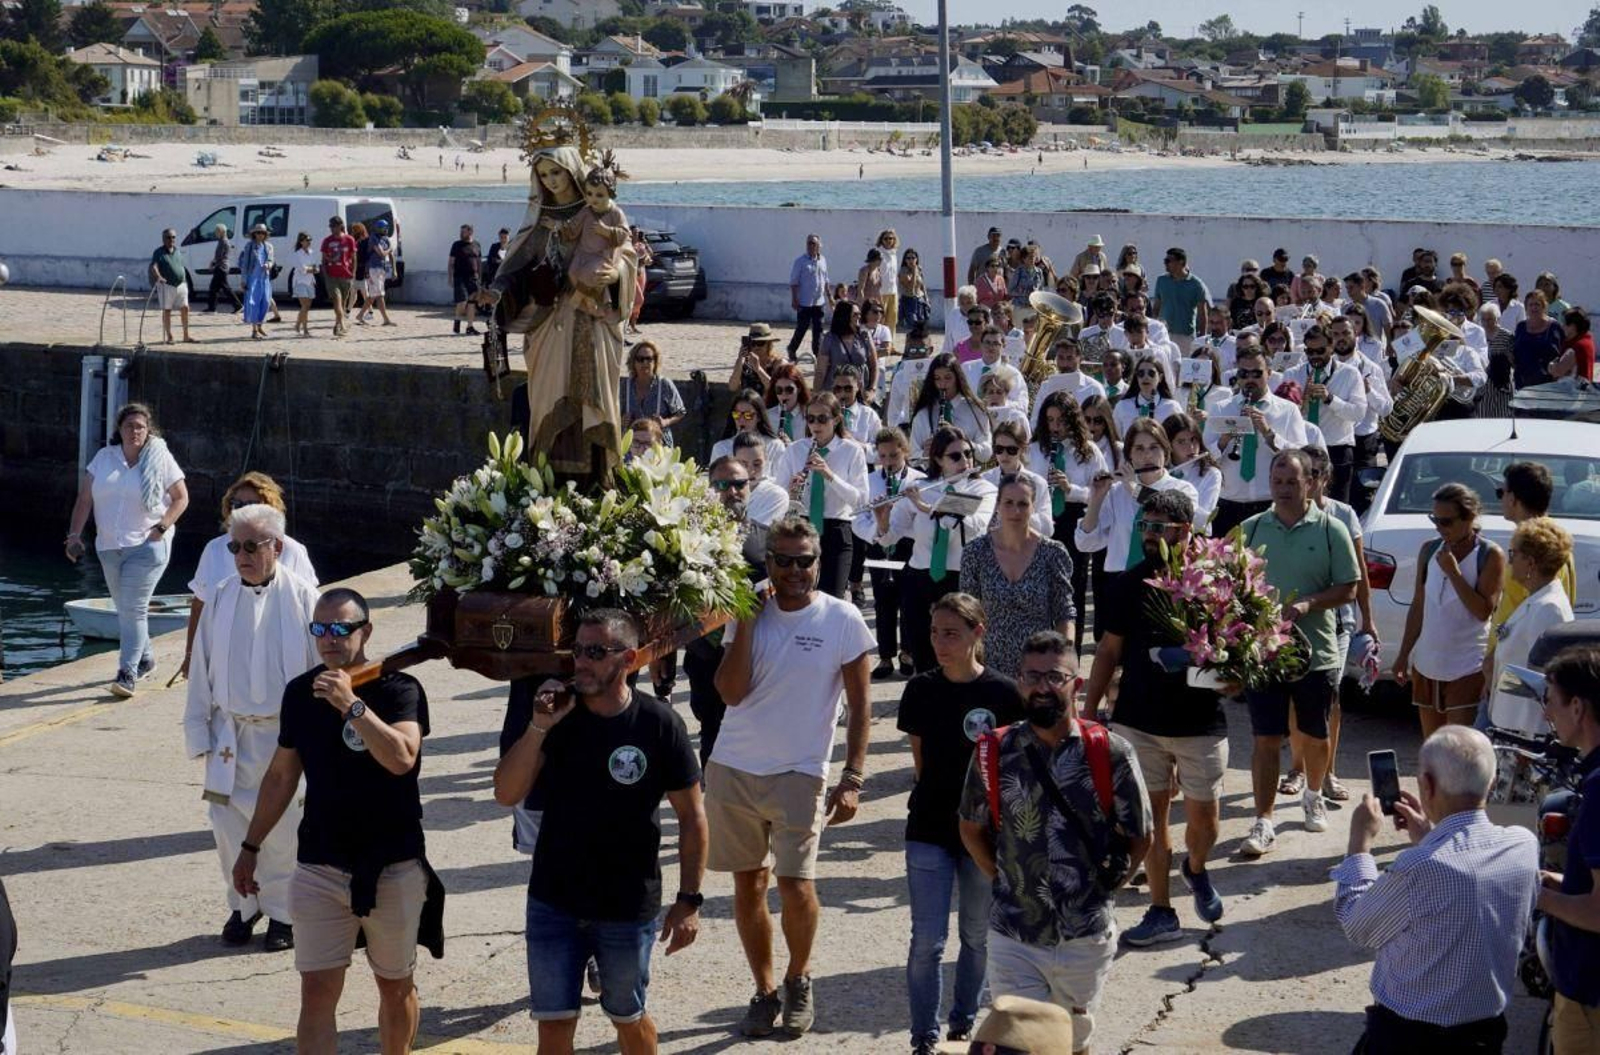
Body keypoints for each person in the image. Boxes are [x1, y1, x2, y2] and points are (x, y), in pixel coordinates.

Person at [230, 588, 436, 1053]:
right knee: (317, 993)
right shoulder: (301, 694)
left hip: (392, 865)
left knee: (394, 984)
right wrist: (250, 846)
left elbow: (402, 758)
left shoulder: (400, 688)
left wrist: (351, 705)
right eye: (319, 629)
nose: (329, 639)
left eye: (340, 628)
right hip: (321, 864)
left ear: (365, 630)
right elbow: (282, 776)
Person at [711, 517, 875, 1037]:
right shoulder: (747, 611)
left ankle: (799, 977)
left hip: (801, 771)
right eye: (784, 560)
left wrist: (852, 777)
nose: (795, 570)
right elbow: (730, 692)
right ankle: (763, 991)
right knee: (748, 885)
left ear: (819, 563)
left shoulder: (843, 618)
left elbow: (862, 707)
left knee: (796, 885)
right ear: (769, 564)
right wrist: (750, 623)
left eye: (805, 560)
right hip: (734, 765)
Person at [958, 631, 1152, 1053]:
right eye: (1033, 676)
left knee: (1069, 1043)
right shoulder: (994, 751)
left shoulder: (1111, 752)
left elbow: (1141, 836)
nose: (1043, 686)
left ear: (1076, 684)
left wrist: (1106, 888)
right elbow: (971, 827)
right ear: (1019, 680)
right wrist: (1002, 877)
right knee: (1018, 1043)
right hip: (1014, 933)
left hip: (1084, 937)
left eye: (1055, 676)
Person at [1332, 726, 1537, 1053]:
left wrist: (1359, 845)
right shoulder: (1523, 845)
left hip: (1408, 1038)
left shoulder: (1420, 866)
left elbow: (1357, 925)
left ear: (1427, 785)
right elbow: (1469, 873)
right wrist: (1432, 836)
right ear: (1493, 783)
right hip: (1485, 1034)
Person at [1085, 489, 1228, 946]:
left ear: (1185, 531)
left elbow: (1240, 648)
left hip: (1200, 721)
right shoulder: (1127, 585)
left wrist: (1237, 676)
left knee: (1205, 822)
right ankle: (1161, 909)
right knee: (1149, 822)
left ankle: (1196, 866)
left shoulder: (1217, 582)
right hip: (1138, 720)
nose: (1149, 535)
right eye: (1145, 526)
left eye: (1159, 527)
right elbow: (1109, 650)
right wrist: (1088, 713)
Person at [184, 504, 321, 953]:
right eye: (234, 546)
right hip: (228, 734)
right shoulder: (221, 595)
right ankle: (243, 904)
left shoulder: (304, 598)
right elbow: (201, 667)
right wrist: (199, 730)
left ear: (276, 548)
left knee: (283, 828)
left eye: (250, 546)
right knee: (224, 823)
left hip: (284, 735)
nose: (240, 555)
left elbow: (321, 666)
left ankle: (283, 914)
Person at [897, 593, 1025, 1055]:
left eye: (951, 633)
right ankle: (923, 1039)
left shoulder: (1005, 694)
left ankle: (962, 1025)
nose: (939, 643)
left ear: (978, 633)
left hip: (986, 833)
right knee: (927, 941)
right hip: (929, 826)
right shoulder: (919, 689)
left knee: (976, 935)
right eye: (935, 632)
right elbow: (920, 761)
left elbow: (1016, 768)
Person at [480, 147, 639, 488]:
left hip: (592, 320)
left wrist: (615, 276)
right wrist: (498, 291)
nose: (552, 181)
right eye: (545, 174)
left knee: (593, 395)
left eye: (557, 172)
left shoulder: (596, 207)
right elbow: (517, 266)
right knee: (549, 396)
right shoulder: (539, 218)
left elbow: (626, 254)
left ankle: (599, 480)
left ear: (572, 171)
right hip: (549, 322)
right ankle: (546, 482)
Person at [1238, 450, 1359, 856]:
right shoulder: (1251, 529)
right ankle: (1264, 820)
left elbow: (1349, 588)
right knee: (1265, 739)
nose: (1284, 489)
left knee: (1316, 733)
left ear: (1311, 482)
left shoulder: (1331, 530)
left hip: (1317, 654)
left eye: (1292, 481)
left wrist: (1308, 604)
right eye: (1278, 481)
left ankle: (1312, 794)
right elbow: (1225, 578)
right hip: (1265, 655)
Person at [64, 402, 189, 697]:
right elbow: (85, 499)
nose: (135, 431)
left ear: (149, 431)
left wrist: (161, 527)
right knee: (126, 610)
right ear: (119, 430)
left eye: (141, 427)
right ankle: (145, 659)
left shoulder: (160, 458)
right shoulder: (104, 458)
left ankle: (127, 672)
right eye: (129, 426)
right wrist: (74, 536)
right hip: (108, 546)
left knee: (133, 609)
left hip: (147, 546)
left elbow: (181, 498)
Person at [877, 427, 998, 673]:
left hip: (960, 579)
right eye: (955, 456)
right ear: (938, 460)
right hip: (919, 578)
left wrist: (927, 507)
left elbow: (975, 526)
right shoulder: (920, 486)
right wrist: (882, 519)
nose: (965, 461)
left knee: (962, 654)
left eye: (968, 453)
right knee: (923, 654)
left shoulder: (983, 489)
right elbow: (889, 537)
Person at [1391, 484, 1503, 739]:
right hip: (1427, 665)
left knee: (1459, 749)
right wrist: (1403, 655)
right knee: (1433, 748)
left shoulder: (1489, 554)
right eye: (1435, 520)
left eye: (1447, 522)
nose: (1440, 528)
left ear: (1470, 518)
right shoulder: (1430, 550)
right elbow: (1419, 605)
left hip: (1466, 667)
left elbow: (1483, 611)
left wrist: (1454, 573)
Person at [181, 471, 318, 680]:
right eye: (238, 505)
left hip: (279, 653)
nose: (244, 511)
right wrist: (191, 654)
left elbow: (311, 608)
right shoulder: (214, 550)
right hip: (227, 652)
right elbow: (200, 603)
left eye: (253, 505)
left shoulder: (293, 551)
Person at [683, 457, 772, 767]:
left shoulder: (767, 537)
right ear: (710, 489)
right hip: (704, 650)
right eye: (722, 485)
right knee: (712, 730)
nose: (732, 491)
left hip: (751, 651)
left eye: (739, 484)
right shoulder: (687, 536)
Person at [1534, 647, 1600, 1052]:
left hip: (1590, 995)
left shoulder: (1599, 790)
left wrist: (1536, 896)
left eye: (1550, 701)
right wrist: (1552, 882)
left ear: (1577, 707)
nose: (1546, 714)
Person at [960, 475, 1076, 679]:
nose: (1016, 511)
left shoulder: (1053, 553)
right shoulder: (975, 552)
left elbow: (1064, 613)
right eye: (1009, 503)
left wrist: (1063, 665)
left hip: (1039, 668)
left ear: (1033, 507)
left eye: (1023, 504)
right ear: (997, 505)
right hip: (988, 668)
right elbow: (967, 615)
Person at [1203, 342, 1308, 537]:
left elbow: (1301, 458)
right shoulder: (1220, 409)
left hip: (1270, 504)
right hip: (1228, 505)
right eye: (1244, 374)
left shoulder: (1287, 410)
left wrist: (1269, 434)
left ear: (1268, 373)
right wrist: (1224, 440)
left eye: (1257, 373)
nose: (1250, 379)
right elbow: (1205, 460)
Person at [1028, 392, 1106, 650]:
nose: (1055, 427)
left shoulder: (1090, 451)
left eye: (1061, 420)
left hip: (1074, 521)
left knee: (1072, 590)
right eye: (1050, 420)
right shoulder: (1034, 450)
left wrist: (1070, 488)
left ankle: (1069, 654)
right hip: (1041, 520)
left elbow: (1102, 493)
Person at [1485, 517, 1574, 742]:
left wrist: (1531, 737)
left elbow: (1549, 682)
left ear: (1531, 562)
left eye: (1513, 555)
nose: (1510, 562)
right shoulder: (1536, 600)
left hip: (1528, 733)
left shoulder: (1548, 609)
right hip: (1512, 726)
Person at [1075, 419, 1200, 575]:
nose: (1147, 455)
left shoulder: (1183, 489)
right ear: (1129, 456)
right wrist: (1097, 498)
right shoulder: (1116, 492)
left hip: (1164, 577)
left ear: (1165, 452)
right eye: (1139, 449)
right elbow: (1085, 544)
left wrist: (1135, 490)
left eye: (1154, 448)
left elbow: (1169, 512)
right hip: (1118, 578)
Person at [775, 393, 869, 599]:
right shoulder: (795, 450)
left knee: (832, 598)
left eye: (822, 418)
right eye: (810, 419)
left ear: (836, 420)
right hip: (802, 528)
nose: (815, 424)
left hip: (836, 529)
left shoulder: (852, 451)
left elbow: (861, 500)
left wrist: (829, 475)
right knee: (801, 597)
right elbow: (778, 495)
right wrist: (790, 491)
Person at [855, 427, 923, 679]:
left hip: (908, 547)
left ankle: (907, 652)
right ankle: (885, 657)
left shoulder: (918, 480)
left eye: (894, 456)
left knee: (908, 601)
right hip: (877, 545)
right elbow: (857, 519)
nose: (888, 462)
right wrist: (877, 528)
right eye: (882, 456)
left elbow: (922, 518)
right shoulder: (869, 481)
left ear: (905, 452)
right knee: (883, 600)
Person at [1283, 323, 1366, 503]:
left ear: (1331, 346)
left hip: (1336, 449)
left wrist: (1330, 399)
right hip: (1302, 449)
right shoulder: (1293, 374)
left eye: (1320, 351)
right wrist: (1299, 404)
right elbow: (1283, 416)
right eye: (1309, 352)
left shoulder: (1349, 374)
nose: (1314, 357)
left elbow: (1359, 413)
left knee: (1337, 506)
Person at [909, 353, 993, 464]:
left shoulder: (976, 410)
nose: (942, 384)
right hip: (933, 479)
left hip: (967, 476)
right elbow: (912, 458)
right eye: (937, 379)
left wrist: (962, 440)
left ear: (957, 378)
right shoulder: (923, 414)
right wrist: (925, 454)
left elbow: (986, 454)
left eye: (948, 378)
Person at [983, 420, 1051, 537]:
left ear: (1023, 449)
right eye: (999, 449)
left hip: (1025, 546)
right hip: (992, 546)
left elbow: (1048, 529)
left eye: (1011, 450)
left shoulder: (1038, 483)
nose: (1004, 455)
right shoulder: (984, 480)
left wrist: (1019, 512)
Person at [619, 341, 685, 446]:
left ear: (655, 362)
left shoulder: (664, 384)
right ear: (633, 362)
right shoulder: (625, 385)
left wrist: (665, 422)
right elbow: (614, 412)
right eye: (640, 359)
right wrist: (621, 420)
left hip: (659, 444)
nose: (645, 363)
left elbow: (680, 412)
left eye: (649, 359)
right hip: (632, 445)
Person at [1164, 413, 1221, 532]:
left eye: (1193, 440)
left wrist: (1170, 501)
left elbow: (1203, 521)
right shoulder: (1159, 470)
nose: (1190, 447)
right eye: (1181, 442)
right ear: (1168, 444)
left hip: (1191, 538)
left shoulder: (1210, 474)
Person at [1151, 246, 1209, 353]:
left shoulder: (1196, 284)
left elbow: (1202, 314)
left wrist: (1202, 338)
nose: (1166, 264)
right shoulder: (1161, 281)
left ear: (1181, 262)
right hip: (1164, 334)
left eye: (1168, 261)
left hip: (1186, 336)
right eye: (1165, 261)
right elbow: (1156, 308)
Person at [710, 389, 786, 469]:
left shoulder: (774, 446)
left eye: (748, 415)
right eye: (737, 415)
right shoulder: (721, 448)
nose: (741, 420)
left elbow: (780, 479)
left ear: (759, 417)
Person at [816, 299, 878, 394]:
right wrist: (816, 394)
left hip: (859, 391)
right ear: (844, 317)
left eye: (859, 314)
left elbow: (874, 365)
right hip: (835, 391)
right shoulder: (829, 338)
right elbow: (821, 371)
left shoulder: (864, 335)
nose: (859, 317)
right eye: (855, 314)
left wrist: (872, 390)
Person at [1111, 356, 1182, 436]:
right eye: (1141, 373)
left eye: (1151, 373)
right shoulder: (1122, 406)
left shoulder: (1172, 407)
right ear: (1136, 377)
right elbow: (1116, 439)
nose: (1146, 377)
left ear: (1160, 377)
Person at [733, 433, 792, 527]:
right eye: (743, 464)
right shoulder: (722, 489)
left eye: (757, 464)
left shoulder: (776, 495)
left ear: (766, 460)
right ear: (734, 462)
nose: (751, 471)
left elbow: (756, 532)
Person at [789, 234, 830, 363]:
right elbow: (794, 282)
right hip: (804, 302)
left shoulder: (822, 260)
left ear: (819, 245)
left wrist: (830, 297)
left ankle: (817, 353)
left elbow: (826, 279)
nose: (811, 246)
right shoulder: (800, 261)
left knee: (819, 329)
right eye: (809, 243)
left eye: (813, 243)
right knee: (802, 328)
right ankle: (792, 348)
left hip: (819, 302)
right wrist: (794, 299)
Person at [150, 227, 194, 344]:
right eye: (168, 237)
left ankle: (186, 335)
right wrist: (159, 276)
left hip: (181, 284)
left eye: (173, 237)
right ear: (163, 239)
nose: (171, 240)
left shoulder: (178, 251)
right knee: (167, 310)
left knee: (185, 308)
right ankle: (169, 336)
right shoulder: (158, 252)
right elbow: (154, 266)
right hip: (167, 285)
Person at [319, 217, 356, 338]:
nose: (332, 228)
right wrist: (325, 275)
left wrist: (353, 273)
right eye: (330, 226)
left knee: (343, 303)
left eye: (334, 226)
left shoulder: (349, 239)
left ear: (340, 225)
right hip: (331, 276)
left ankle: (338, 324)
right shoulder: (327, 241)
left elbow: (354, 258)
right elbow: (323, 260)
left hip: (346, 275)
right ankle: (341, 326)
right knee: (337, 300)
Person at [240, 222, 275, 340]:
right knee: (253, 303)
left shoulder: (268, 246)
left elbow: (271, 260)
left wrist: (268, 265)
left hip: (264, 278)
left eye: (262, 233)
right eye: (258, 233)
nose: (260, 235)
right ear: (254, 234)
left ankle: (259, 325)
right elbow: (244, 265)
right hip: (252, 278)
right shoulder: (249, 246)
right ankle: (254, 330)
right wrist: (244, 280)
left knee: (265, 302)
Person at [729, 322, 785, 395]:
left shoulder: (778, 362)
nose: (756, 347)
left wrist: (758, 370)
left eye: (760, 343)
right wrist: (740, 360)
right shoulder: (745, 362)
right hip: (749, 404)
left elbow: (777, 389)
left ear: (769, 344)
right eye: (753, 343)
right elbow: (732, 387)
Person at [360, 219, 395, 327]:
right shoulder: (373, 238)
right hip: (373, 268)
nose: (386, 230)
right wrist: (390, 249)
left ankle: (360, 315)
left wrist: (394, 270)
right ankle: (386, 319)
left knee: (374, 295)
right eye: (384, 228)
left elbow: (391, 256)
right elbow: (381, 253)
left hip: (381, 269)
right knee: (379, 295)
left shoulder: (386, 239)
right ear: (379, 228)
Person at [765, 364, 810, 443]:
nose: (784, 394)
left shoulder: (809, 416)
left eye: (789, 389)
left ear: (799, 389)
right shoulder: (767, 417)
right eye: (779, 390)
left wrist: (791, 447)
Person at [205, 222, 242, 314]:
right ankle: (212, 308)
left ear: (221, 231)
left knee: (223, 288)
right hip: (222, 267)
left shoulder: (223, 242)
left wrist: (212, 263)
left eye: (216, 231)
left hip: (221, 267)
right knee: (215, 288)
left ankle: (238, 305)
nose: (215, 233)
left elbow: (219, 256)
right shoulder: (222, 241)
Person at [1554, 307, 1596, 381]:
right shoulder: (1587, 340)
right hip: (1581, 389)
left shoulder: (1577, 347)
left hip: (1571, 390)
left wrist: (1550, 365)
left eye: (1565, 323)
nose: (1562, 326)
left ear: (1573, 326)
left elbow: (1557, 371)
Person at [288, 232, 318, 337]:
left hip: (310, 281)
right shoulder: (297, 254)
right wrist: (311, 269)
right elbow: (302, 269)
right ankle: (305, 329)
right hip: (300, 282)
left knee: (307, 306)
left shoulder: (311, 252)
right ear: (301, 242)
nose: (309, 242)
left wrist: (311, 269)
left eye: (310, 240)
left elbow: (316, 267)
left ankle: (297, 325)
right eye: (307, 240)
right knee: (304, 306)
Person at [898, 247, 929, 334]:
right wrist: (914, 272)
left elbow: (922, 285)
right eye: (908, 258)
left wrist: (926, 299)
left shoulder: (919, 269)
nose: (911, 260)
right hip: (909, 301)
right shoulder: (903, 271)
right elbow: (911, 289)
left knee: (922, 327)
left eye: (913, 258)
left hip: (920, 300)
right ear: (905, 260)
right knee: (912, 327)